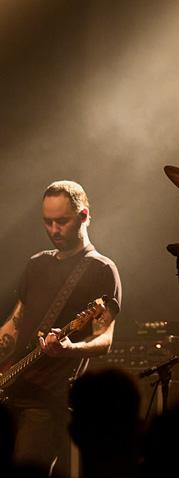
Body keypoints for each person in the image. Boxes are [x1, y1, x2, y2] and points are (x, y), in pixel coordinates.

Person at [0, 181, 122, 477]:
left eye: (62, 221)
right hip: (11, 388)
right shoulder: (36, 264)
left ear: (84, 216)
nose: (53, 230)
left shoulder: (101, 270)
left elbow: (105, 339)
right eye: (47, 222)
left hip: (48, 400)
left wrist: (70, 348)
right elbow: (14, 325)